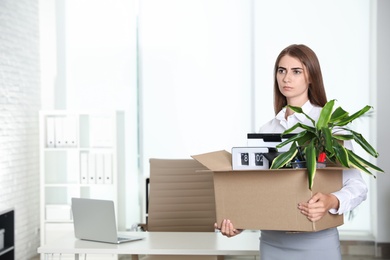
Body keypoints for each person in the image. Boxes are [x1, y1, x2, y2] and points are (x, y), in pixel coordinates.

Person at [215, 44, 368, 260]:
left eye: (296, 71)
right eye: (281, 70)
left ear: (311, 77)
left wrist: (331, 201)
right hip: (272, 243)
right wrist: (240, 222)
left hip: (317, 242)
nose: (286, 78)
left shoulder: (328, 126)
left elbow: (358, 187)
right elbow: (259, 191)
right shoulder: (266, 130)